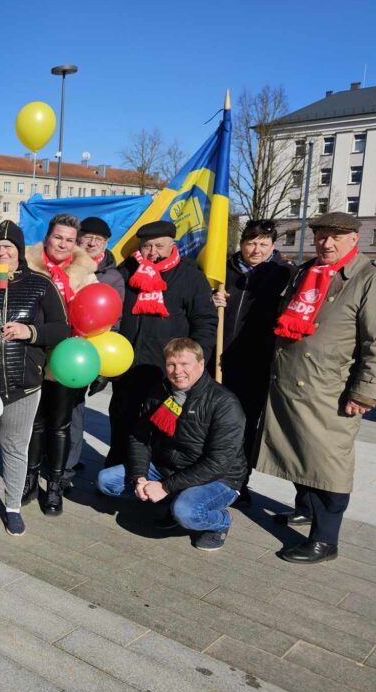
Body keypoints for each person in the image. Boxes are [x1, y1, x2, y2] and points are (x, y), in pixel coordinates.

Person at [257, 212, 376, 564]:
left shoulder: (367, 279)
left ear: (354, 240)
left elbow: (375, 342)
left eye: (335, 237)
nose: (326, 243)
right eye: (322, 236)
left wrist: (364, 391)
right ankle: (305, 509)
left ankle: (325, 540)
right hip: (290, 383)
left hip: (331, 390)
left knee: (329, 463)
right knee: (297, 452)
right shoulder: (307, 271)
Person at [0, 221, 69, 536]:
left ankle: (13, 508)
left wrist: (29, 331)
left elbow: (61, 328)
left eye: (8, 247)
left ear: (19, 251)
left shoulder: (40, 283)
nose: (2, 252)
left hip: (24, 383)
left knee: (15, 446)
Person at [97, 338, 247, 551]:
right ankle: (171, 502)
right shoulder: (160, 392)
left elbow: (218, 463)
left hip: (219, 478)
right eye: (171, 364)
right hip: (166, 467)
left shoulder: (224, 403)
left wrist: (166, 486)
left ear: (201, 365)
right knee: (107, 482)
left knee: (187, 512)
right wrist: (139, 476)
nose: (178, 371)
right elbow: (139, 437)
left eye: (185, 364)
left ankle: (221, 522)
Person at [106, 221, 217, 466]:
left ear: (172, 245)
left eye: (158, 245)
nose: (152, 251)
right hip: (128, 367)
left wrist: (198, 362)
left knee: (160, 430)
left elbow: (205, 321)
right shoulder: (127, 271)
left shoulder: (190, 276)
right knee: (122, 422)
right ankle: (116, 473)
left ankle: (155, 480)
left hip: (168, 371)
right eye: (147, 246)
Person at [210, 219, 293, 507]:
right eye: (251, 243)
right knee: (212, 422)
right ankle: (207, 474)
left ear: (272, 246)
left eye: (263, 244)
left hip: (255, 364)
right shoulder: (222, 270)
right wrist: (214, 300)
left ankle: (237, 481)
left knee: (244, 426)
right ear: (241, 243)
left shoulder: (284, 274)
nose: (256, 250)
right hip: (218, 361)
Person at [23, 214, 98, 515]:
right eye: (58, 237)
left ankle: (54, 486)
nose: (63, 244)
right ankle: (29, 477)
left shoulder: (86, 274)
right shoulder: (27, 265)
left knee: (60, 425)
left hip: (69, 360)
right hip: (33, 353)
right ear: (47, 237)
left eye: (69, 239)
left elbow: (96, 318)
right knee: (34, 423)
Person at [65, 216, 125, 474]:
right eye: (86, 237)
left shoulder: (112, 277)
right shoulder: (66, 264)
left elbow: (116, 320)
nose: (90, 243)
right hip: (59, 344)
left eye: (97, 239)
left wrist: (101, 369)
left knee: (75, 412)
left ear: (106, 243)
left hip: (87, 352)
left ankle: (67, 468)